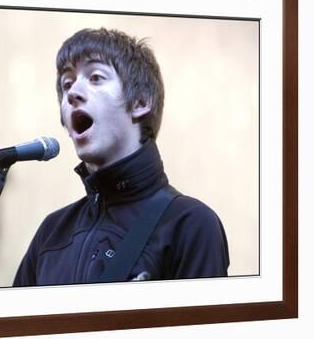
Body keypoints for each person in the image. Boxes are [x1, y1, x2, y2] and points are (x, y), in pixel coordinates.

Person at [13, 28, 229, 286]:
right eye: (67, 84)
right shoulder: (52, 233)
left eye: (95, 77)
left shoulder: (189, 224)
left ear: (140, 102)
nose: (72, 93)